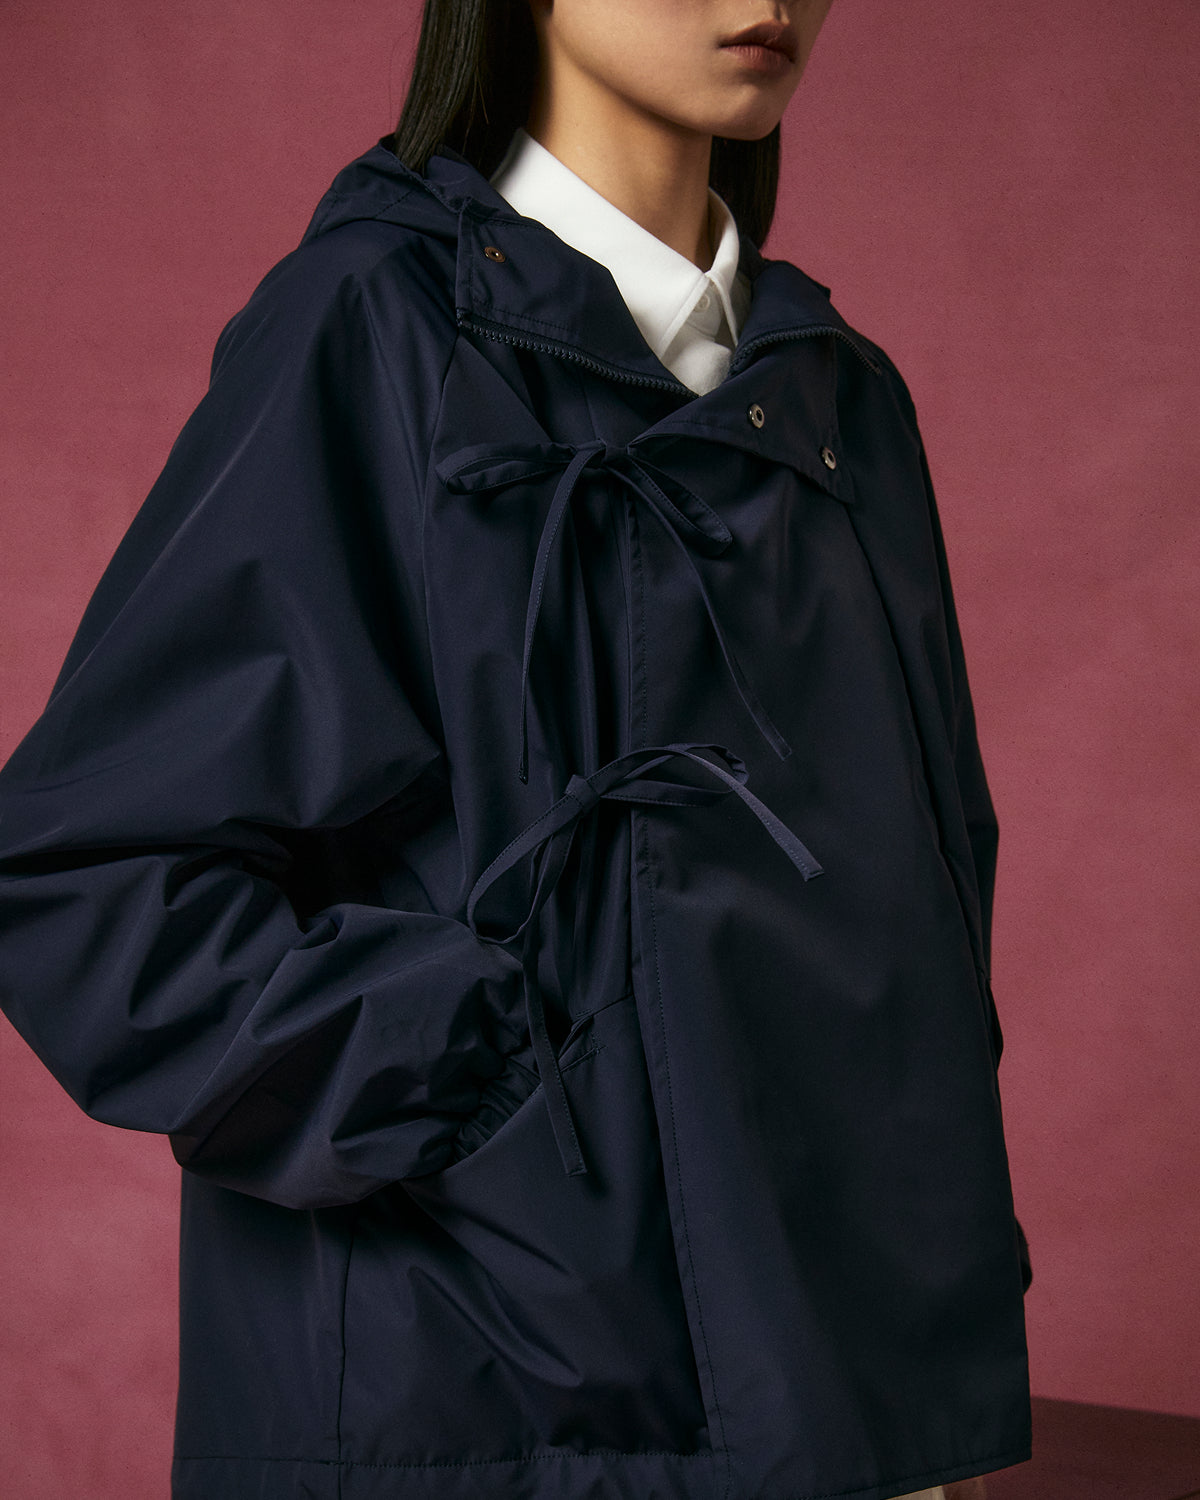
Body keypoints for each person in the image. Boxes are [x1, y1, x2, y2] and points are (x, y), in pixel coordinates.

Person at [0, 2, 1033, 1497]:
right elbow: (81, 868)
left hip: (840, 1421)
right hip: (479, 1409)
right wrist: (470, 1086)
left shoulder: (842, 403)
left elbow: (932, 919)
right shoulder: (374, 329)